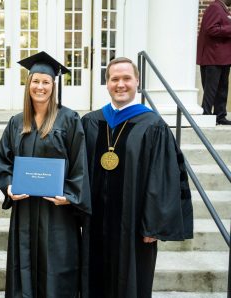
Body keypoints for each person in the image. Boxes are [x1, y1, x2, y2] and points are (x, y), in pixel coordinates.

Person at [81, 57, 194, 298]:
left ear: (137, 81)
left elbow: (163, 179)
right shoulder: (91, 122)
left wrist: (153, 225)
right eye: (114, 79)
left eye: (126, 78)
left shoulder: (153, 125)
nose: (120, 84)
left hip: (133, 227)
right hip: (95, 225)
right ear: (107, 83)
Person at [0, 51, 92, 298]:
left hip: (57, 213)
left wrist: (69, 195)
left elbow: (80, 161)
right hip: (25, 210)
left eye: (45, 82)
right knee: (24, 269)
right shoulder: (17, 122)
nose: (40, 87)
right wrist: (8, 187)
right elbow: (2, 161)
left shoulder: (69, 119)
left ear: (53, 85)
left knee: (57, 271)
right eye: (35, 81)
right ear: (28, 85)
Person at [197, 0, 231, 125]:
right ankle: (206, 116)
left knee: (222, 89)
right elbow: (210, 29)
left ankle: (220, 116)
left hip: (223, 58)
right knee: (211, 90)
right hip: (213, 58)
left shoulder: (222, 8)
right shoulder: (214, 7)